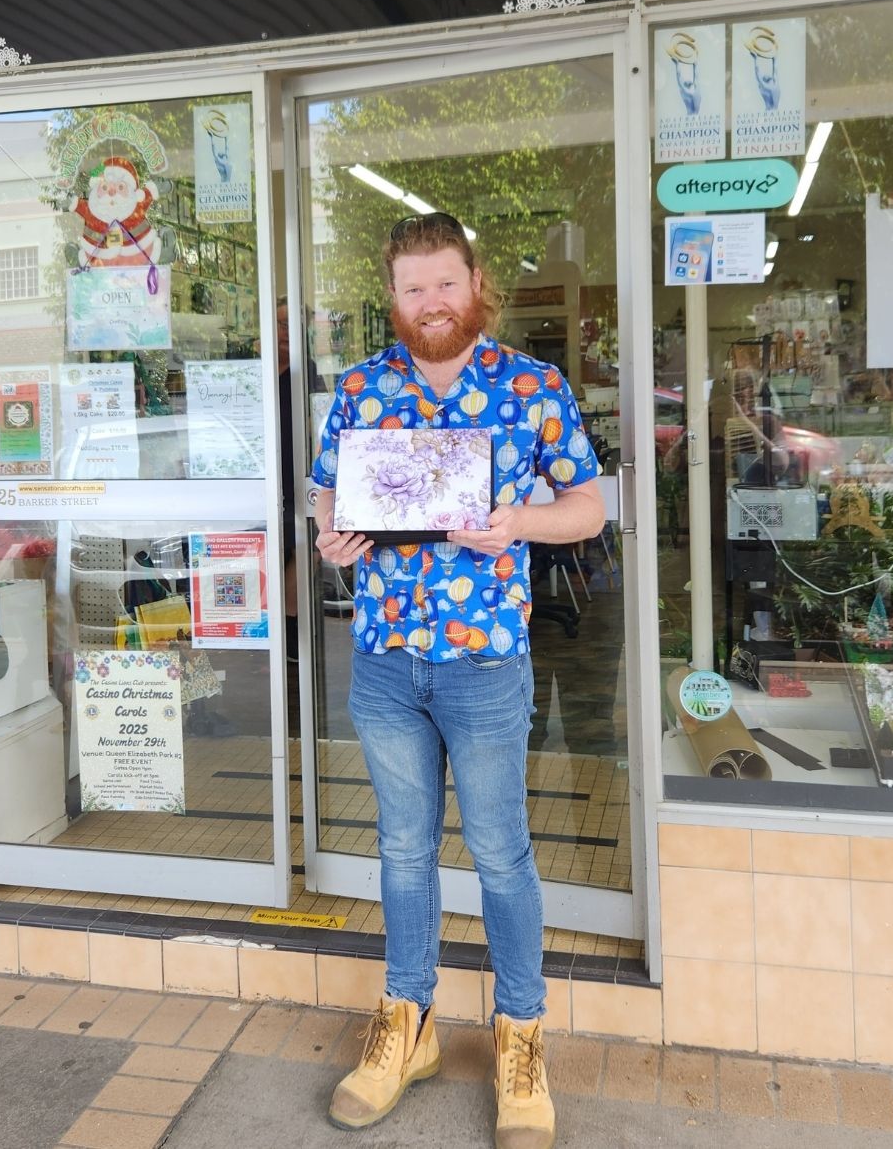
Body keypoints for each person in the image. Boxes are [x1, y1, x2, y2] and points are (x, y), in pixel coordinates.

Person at [311, 212, 603, 1149]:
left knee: (501, 854)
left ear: (476, 284)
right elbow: (328, 489)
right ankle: (411, 1026)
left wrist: (518, 522)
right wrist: (329, 534)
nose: (431, 302)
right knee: (403, 852)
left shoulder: (532, 386)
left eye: (445, 282)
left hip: (484, 665)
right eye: (413, 288)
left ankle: (521, 1037)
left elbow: (588, 509)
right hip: (386, 662)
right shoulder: (362, 387)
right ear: (393, 298)